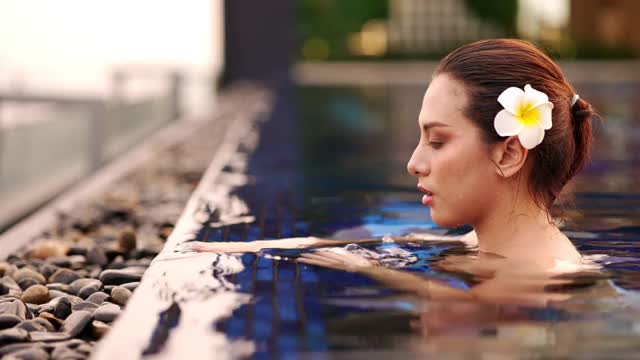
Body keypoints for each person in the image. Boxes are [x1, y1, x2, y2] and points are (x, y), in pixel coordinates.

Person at [185, 39, 609, 305]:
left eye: (438, 141)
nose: (413, 163)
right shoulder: (483, 243)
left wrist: (366, 270)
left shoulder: (539, 276)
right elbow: (363, 244)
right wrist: (248, 248)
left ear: (509, 153)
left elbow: (467, 312)